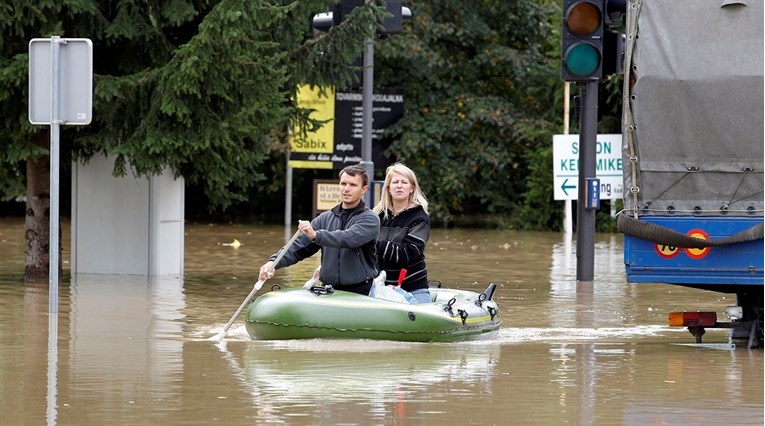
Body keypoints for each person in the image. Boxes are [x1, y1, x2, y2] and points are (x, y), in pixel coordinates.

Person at [259, 164, 379, 295]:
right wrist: (273, 262)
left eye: (352, 185)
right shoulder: (324, 218)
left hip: (360, 291)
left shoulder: (370, 219)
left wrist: (316, 235)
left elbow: (347, 239)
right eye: (343, 184)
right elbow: (298, 247)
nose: (346, 189)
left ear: (364, 189)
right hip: (328, 289)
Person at [372, 162, 431, 303]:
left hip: (413, 287)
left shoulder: (420, 217)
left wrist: (372, 244)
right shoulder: (376, 215)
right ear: (388, 188)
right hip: (380, 287)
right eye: (395, 182)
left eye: (404, 182)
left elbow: (407, 253)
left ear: (412, 188)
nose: (399, 185)